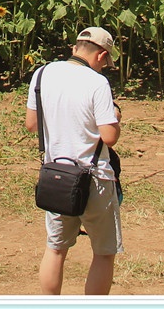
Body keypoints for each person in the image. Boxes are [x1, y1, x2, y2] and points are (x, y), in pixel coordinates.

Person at [25, 25, 123, 296]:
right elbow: (109, 137)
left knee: (55, 249)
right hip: (94, 177)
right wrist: (116, 117)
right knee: (104, 252)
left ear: (75, 47)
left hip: (56, 176)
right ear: (101, 55)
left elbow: (31, 124)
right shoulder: (97, 83)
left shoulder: (42, 73)